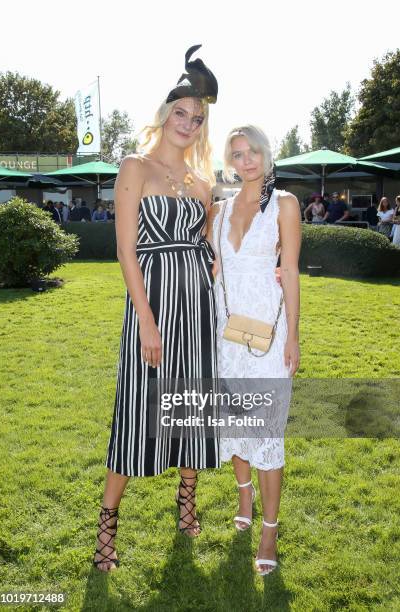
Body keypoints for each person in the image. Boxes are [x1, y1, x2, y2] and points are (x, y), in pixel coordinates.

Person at [93, 44, 220, 572]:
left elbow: (210, 247)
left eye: (198, 117)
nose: (188, 123)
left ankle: (186, 507)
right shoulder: (135, 167)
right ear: (165, 114)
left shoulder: (203, 181)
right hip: (154, 306)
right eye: (181, 112)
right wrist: (146, 318)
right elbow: (126, 250)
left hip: (198, 307)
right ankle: (105, 535)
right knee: (136, 414)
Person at [207, 125, 301, 577]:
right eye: (237, 154)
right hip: (228, 336)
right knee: (234, 424)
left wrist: (295, 336)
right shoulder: (219, 210)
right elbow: (212, 268)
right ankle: (244, 492)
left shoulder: (285, 204)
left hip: (269, 332)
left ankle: (269, 527)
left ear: (266, 155)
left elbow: (292, 272)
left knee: (267, 432)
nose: (246, 161)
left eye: (253, 152)